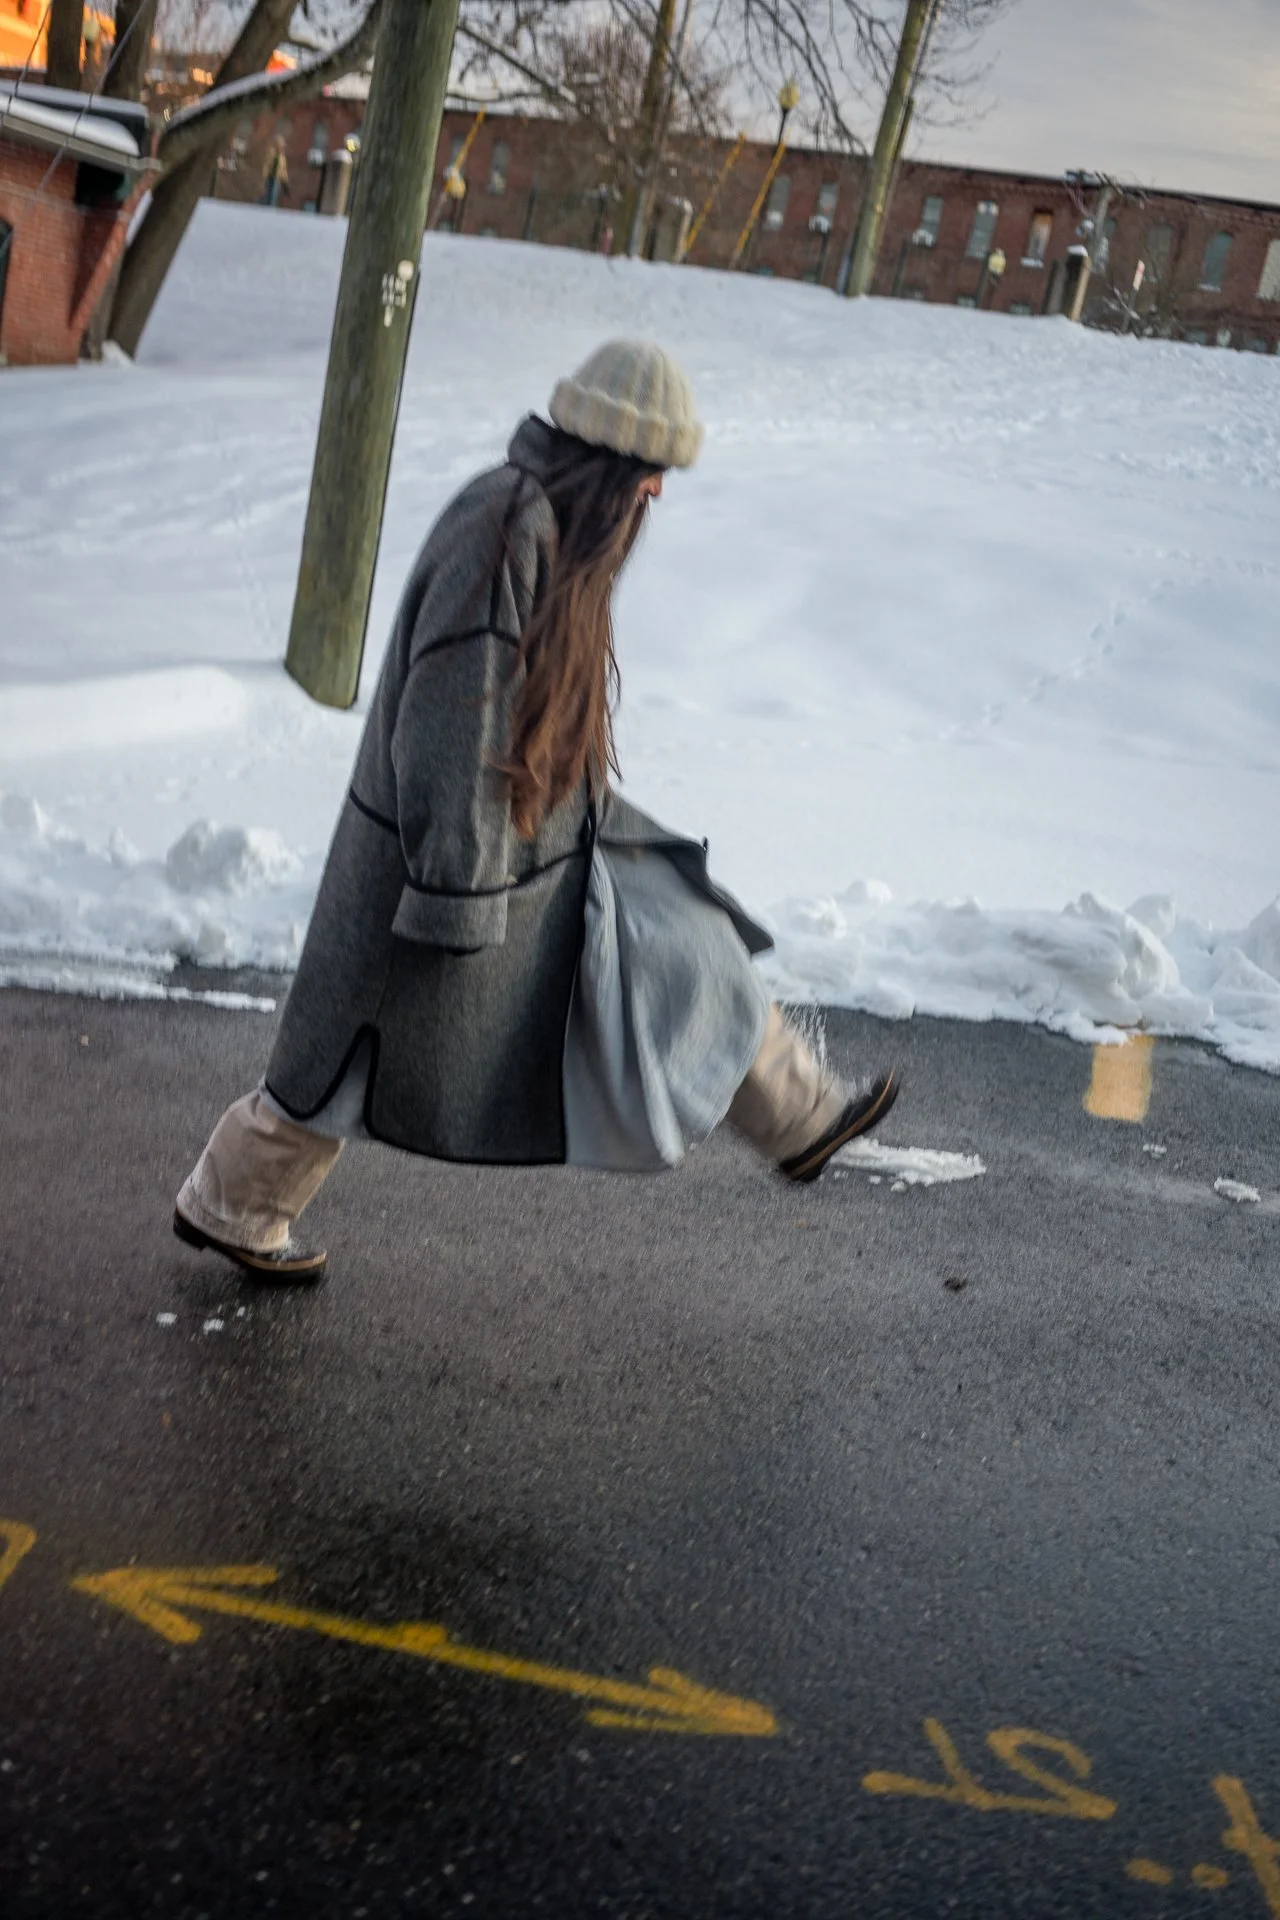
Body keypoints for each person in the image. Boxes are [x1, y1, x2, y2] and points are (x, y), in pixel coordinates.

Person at [174, 340, 899, 1280]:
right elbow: (449, 718)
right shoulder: (503, 525)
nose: (657, 498)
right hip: (450, 858)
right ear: (607, 466)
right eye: (648, 475)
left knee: (689, 929)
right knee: (347, 1054)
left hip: (533, 833)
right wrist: (455, 893)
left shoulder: (548, 524)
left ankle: (802, 1118)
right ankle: (231, 1205)